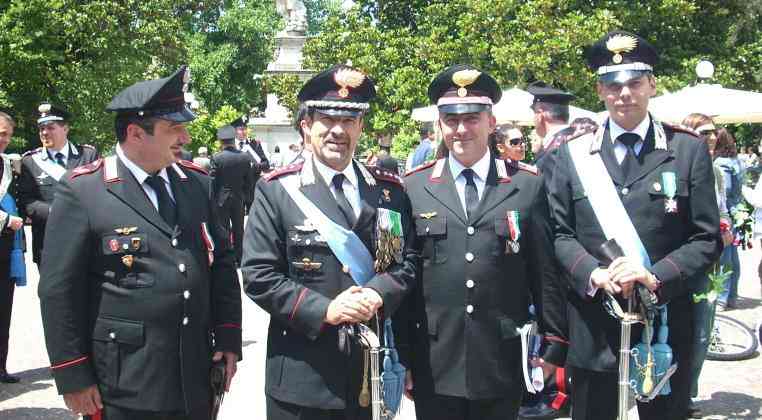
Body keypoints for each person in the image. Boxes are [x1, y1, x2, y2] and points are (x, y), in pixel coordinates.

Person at [38, 66, 242, 420]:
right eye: (173, 128)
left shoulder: (195, 183)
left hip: (194, 373)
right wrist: (72, 375)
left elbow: (222, 262)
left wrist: (227, 337)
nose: (186, 137)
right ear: (135, 133)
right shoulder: (84, 190)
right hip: (125, 381)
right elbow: (58, 291)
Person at [548, 31, 721, 420]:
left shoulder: (687, 150)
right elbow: (558, 233)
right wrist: (593, 273)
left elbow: (706, 238)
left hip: (664, 322)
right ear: (600, 90)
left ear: (652, 85)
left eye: (634, 83)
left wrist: (653, 276)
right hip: (595, 323)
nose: (624, 93)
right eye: (613, 85)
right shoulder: (572, 154)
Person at [241, 64, 416, 420]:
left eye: (349, 121)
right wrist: (325, 310)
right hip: (301, 377)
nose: (338, 130)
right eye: (327, 120)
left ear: (361, 127)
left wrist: (377, 293)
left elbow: (400, 263)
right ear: (306, 126)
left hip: (367, 374)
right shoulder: (277, 191)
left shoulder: (387, 193)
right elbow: (259, 275)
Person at [400, 64, 559, 420]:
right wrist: (403, 356)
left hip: (502, 356)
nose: (461, 129)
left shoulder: (527, 185)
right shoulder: (414, 187)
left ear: (491, 122)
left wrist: (554, 345)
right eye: (451, 120)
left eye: (472, 118)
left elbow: (544, 273)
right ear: (439, 124)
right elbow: (405, 282)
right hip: (434, 359)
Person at [17, 103, 99, 265]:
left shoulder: (88, 155)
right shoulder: (29, 162)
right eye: (41, 128)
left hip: (87, 240)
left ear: (65, 129)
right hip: (48, 243)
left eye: (50, 127)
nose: (45, 133)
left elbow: (101, 194)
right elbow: (26, 201)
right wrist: (55, 211)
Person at [0, 112, 26, 384]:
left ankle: (0, 367)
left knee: (3, 309)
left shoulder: (7, 164)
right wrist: (7, 219)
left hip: (6, 248)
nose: (3, 139)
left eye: (6, 133)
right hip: (6, 229)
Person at [210, 125, 254, 264]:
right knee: (239, 229)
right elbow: (249, 182)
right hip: (238, 198)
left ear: (221, 141)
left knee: (223, 229)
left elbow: (213, 182)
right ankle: (239, 257)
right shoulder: (245, 158)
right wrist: (247, 198)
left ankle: (226, 257)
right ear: (233, 140)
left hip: (221, 199)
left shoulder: (217, 158)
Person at [233, 115, 269, 211]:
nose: (244, 132)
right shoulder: (230, 145)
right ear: (234, 131)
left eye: (245, 129)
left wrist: (254, 166)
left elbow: (266, 164)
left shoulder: (254, 144)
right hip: (236, 190)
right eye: (241, 129)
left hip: (252, 189)